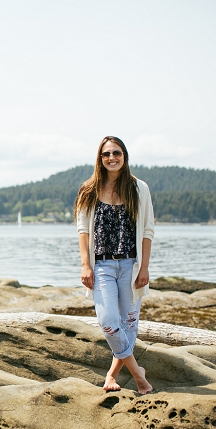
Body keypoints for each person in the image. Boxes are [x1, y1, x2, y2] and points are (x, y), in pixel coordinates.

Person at [74, 136, 154, 395]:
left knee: (129, 324)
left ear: (124, 156)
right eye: (106, 154)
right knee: (108, 321)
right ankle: (137, 373)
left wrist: (144, 268)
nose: (111, 158)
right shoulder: (89, 189)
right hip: (103, 267)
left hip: (131, 265)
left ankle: (112, 374)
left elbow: (147, 232)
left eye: (116, 153)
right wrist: (86, 265)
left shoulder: (139, 188)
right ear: (100, 158)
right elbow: (83, 229)